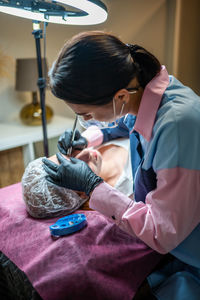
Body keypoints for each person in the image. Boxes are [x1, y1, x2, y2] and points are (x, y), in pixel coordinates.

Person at [42, 31, 200, 299]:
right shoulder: (149, 89)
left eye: (86, 114)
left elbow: (163, 232)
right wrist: (90, 136)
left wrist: (92, 185)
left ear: (120, 97)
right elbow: (125, 123)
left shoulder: (177, 125)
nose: (86, 119)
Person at [22, 138, 133, 218]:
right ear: (82, 194)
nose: (83, 154)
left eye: (68, 156)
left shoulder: (88, 144)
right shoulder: (129, 191)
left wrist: (87, 138)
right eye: (73, 166)